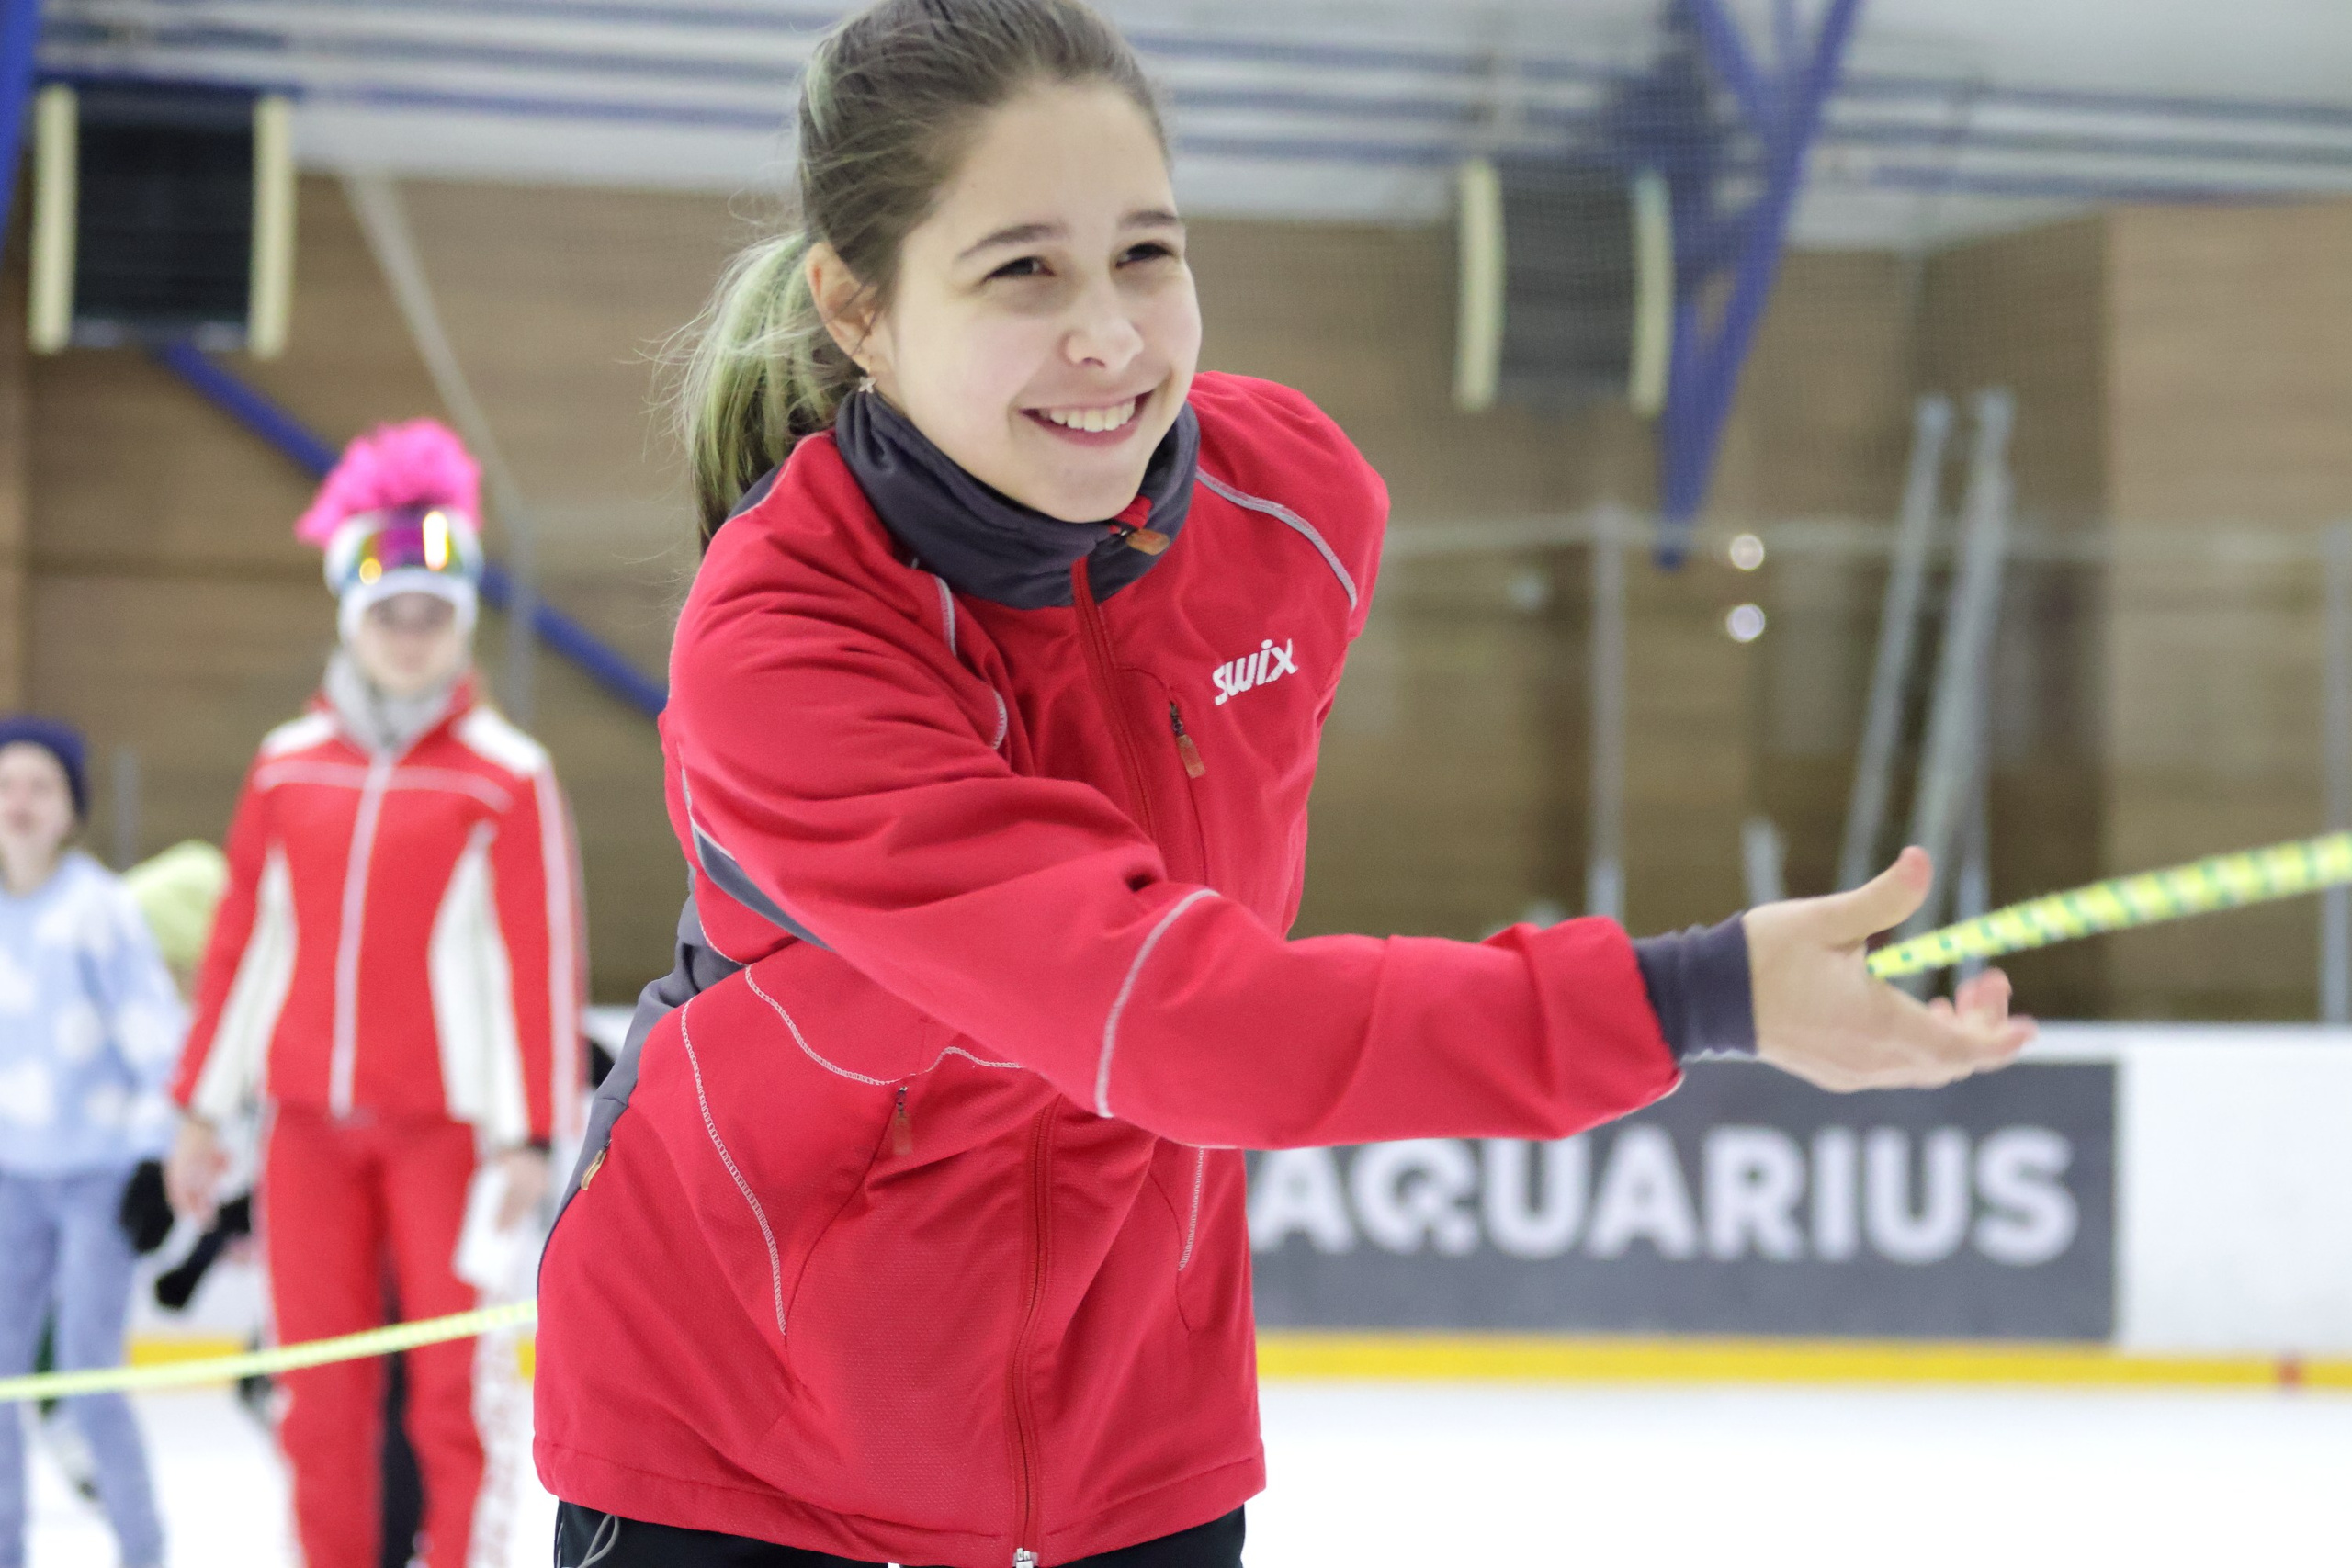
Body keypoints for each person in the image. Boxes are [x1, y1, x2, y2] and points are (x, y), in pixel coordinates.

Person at [532, 4, 2033, 1563]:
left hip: (1137, 1442)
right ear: (857, 308)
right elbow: (1177, 1015)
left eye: (1148, 253)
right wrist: (1695, 996)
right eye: (1021, 270)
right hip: (748, 1441)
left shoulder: (1295, 508)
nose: (1108, 334)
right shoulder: (791, 645)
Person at [164, 419, 585, 1568]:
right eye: (389, 613)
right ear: (353, 617)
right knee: (320, 1400)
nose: (410, 635)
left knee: (454, 1397)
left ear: (459, 624)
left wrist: (530, 1138)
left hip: (449, 1136)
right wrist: (202, 1109)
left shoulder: (506, 775)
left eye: (432, 614)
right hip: (303, 1131)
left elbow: (538, 963)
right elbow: (244, 939)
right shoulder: (286, 762)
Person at [0, 716, 180, 1568]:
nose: (20, 803)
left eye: (40, 787)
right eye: (7, 785)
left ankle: (140, 1548)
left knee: (83, 1369)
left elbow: (158, 1042)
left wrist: (153, 1157)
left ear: (71, 808)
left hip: (97, 1172)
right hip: (10, 1174)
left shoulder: (99, 909)